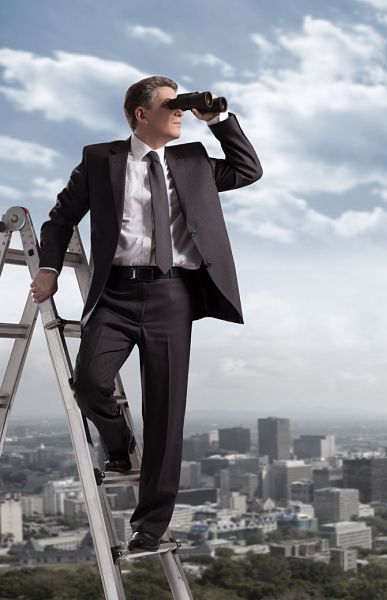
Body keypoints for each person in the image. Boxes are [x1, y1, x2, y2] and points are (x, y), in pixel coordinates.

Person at [30, 75, 261, 552]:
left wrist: (216, 120)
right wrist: (49, 269)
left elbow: (248, 170)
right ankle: (118, 446)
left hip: (173, 296)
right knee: (90, 382)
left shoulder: (193, 160)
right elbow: (59, 218)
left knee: (165, 414)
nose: (180, 112)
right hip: (114, 294)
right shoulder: (100, 159)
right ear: (141, 113)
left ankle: (149, 526)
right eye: (171, 105)